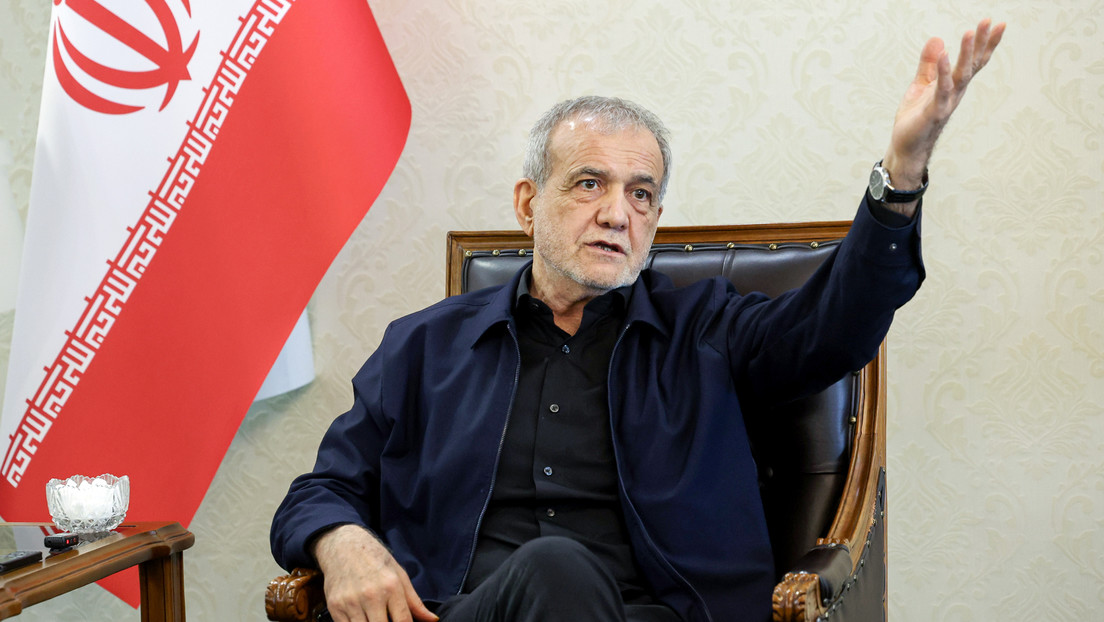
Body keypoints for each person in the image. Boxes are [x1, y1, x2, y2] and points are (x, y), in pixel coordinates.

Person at [271, 19, 1005, 622]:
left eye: (642, 194)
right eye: (589, 183)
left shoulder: (706, 330)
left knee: (558, 571)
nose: (617, 213)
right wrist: (342, 543)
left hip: (654, 613)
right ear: (528, 204)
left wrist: (900, 176)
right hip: (463, 611)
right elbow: (320, 490)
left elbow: (835, 327)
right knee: (547, 573)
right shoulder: (425, 345)